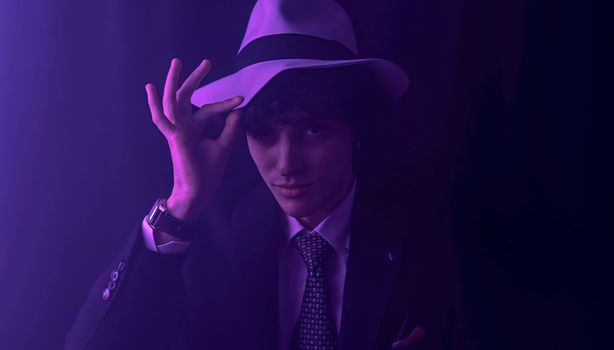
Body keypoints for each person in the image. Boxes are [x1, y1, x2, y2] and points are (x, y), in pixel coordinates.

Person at [66, 1, 475, 349]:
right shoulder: (208, 238)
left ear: (356, 128)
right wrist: (182, 202)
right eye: (263, 132)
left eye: (313, 130)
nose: (286, 163)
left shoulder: (429, 230)